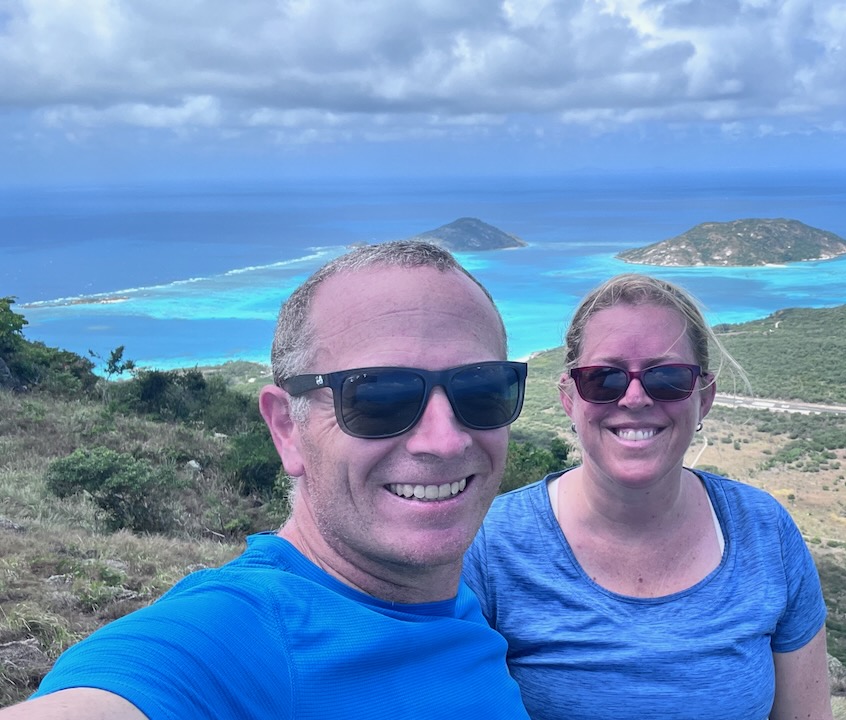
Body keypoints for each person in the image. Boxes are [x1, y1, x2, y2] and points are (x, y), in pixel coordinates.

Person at [2, 241, 531, 719]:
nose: (443, 440)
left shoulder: (451, 603)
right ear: (287, 430)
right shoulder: (239, 635)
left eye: (482, 389)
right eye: (378, 398)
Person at [463, 273, 833, 720]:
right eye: (603, 379)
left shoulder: (765, 531)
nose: (635, 398)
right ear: (569, 398)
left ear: (705, 397)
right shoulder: (490, 546)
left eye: (668, 377)